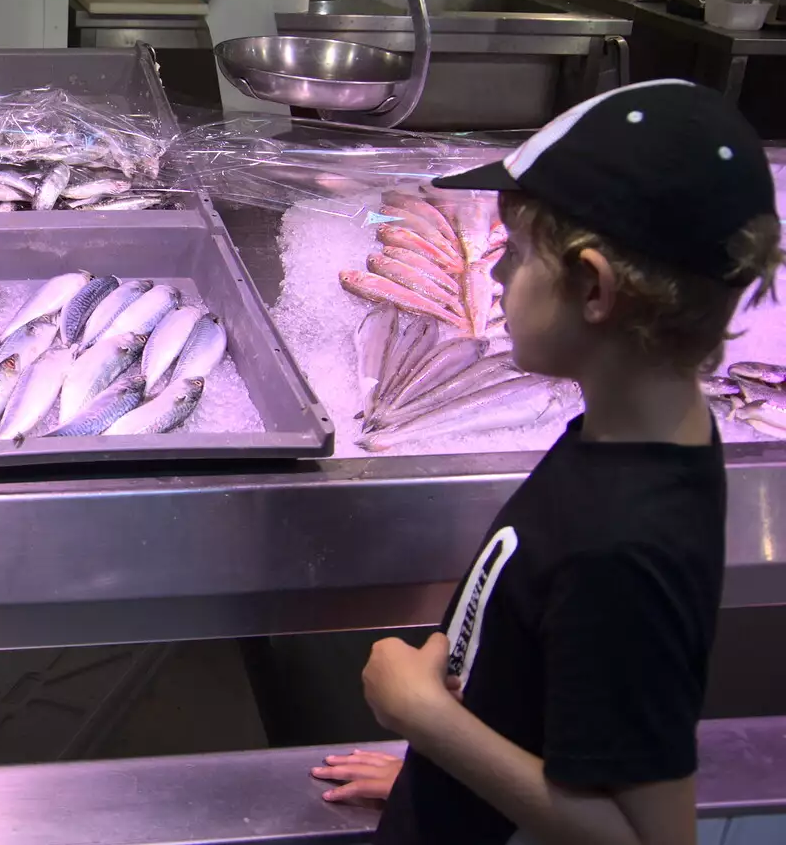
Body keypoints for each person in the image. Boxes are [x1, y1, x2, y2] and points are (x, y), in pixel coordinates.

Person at [312, 80, 780, 845]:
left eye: (519, 254)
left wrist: (426, 720)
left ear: (593, 287)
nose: (495, 277)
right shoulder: (633, 436)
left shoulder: (628, 545)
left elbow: (649, 839)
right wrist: (443, 772)